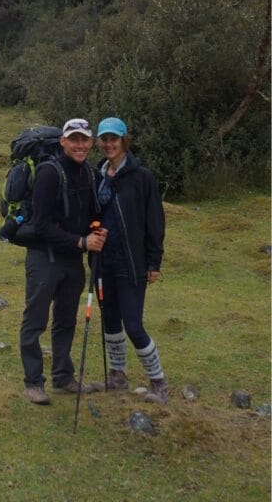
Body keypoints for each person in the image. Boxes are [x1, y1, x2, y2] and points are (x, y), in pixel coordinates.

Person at [20, 117, 107, 405]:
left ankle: (63, 377)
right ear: (63, 141)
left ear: (91, 142)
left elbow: (92, 214)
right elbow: (41, 225)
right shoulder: (49, 173)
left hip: (72, 261)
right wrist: (81, 241)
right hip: (44, 257)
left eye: (85, 139)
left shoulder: (90, 174)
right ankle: (33, 383)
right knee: (35, 320)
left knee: (66, 319)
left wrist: (96, 230)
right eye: (74, 139)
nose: (80, 145)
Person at [95, 116, 168, 404]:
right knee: (110, 321)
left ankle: (158, 381)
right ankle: (117, 376)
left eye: (113, 138)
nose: (108, 144)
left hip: (132, 264)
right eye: (104, 139)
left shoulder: (142, 178)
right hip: (103, 262)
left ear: (125, 140)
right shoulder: (97, 175)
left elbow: (155, 221)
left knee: (133, 325)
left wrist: (154, 262)